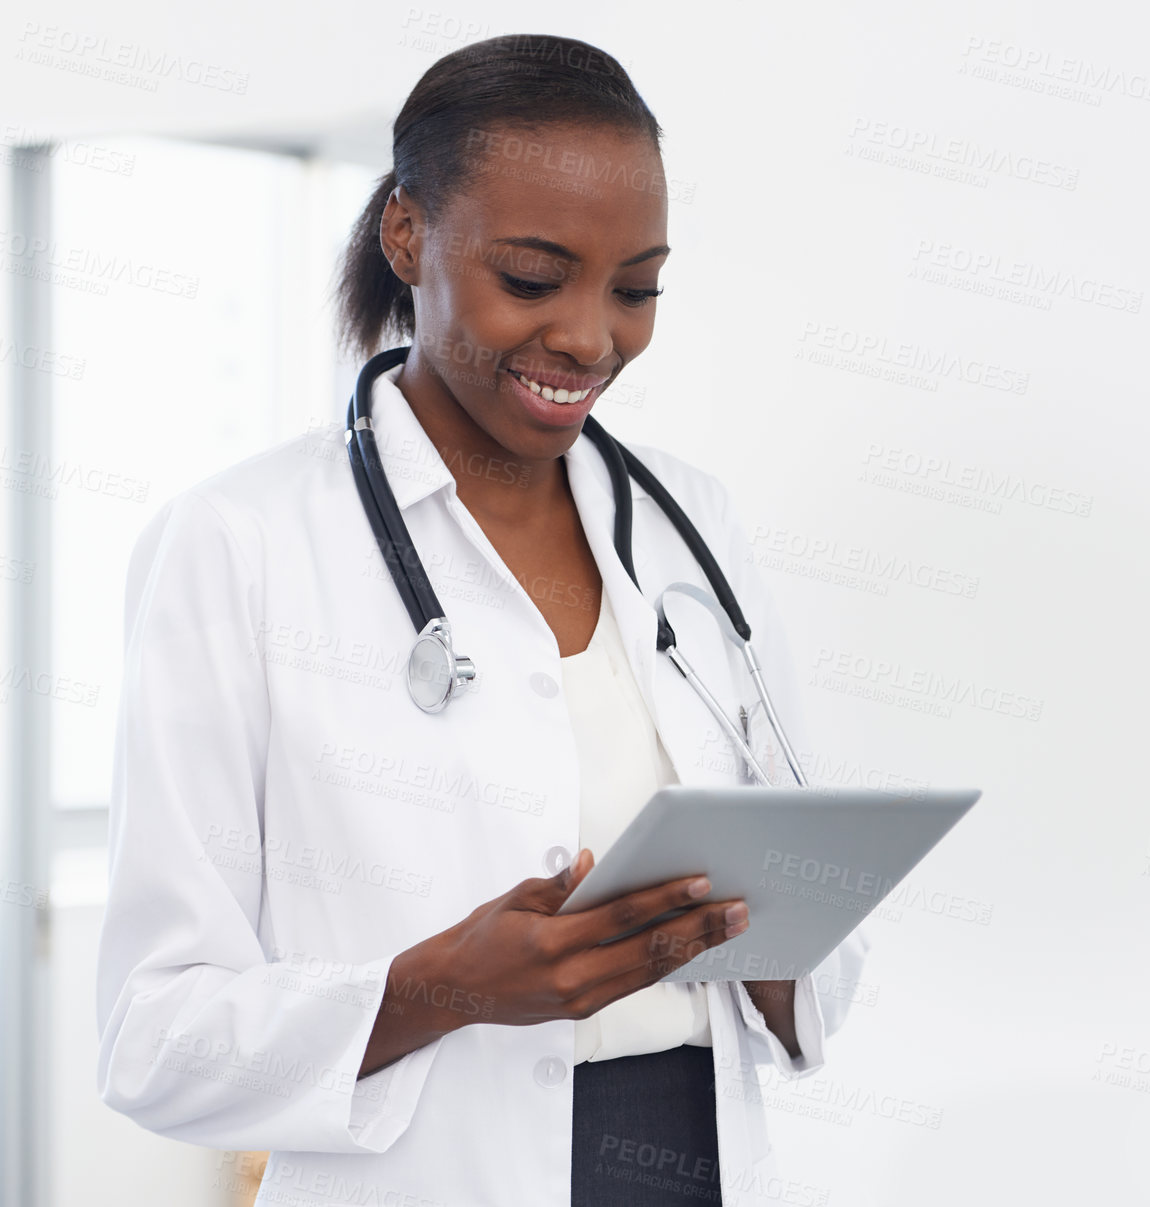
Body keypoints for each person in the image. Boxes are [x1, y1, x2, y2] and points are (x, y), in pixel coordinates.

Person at [95, 33, 870, 1207]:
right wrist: (443, 985)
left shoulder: (685, 523)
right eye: (532, 277)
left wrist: (763, 938)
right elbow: (152, 1035)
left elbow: (812, 962)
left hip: (695, 1155)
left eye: (636, 287)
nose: (589, 337)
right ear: (408, 234)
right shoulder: (237, 543)